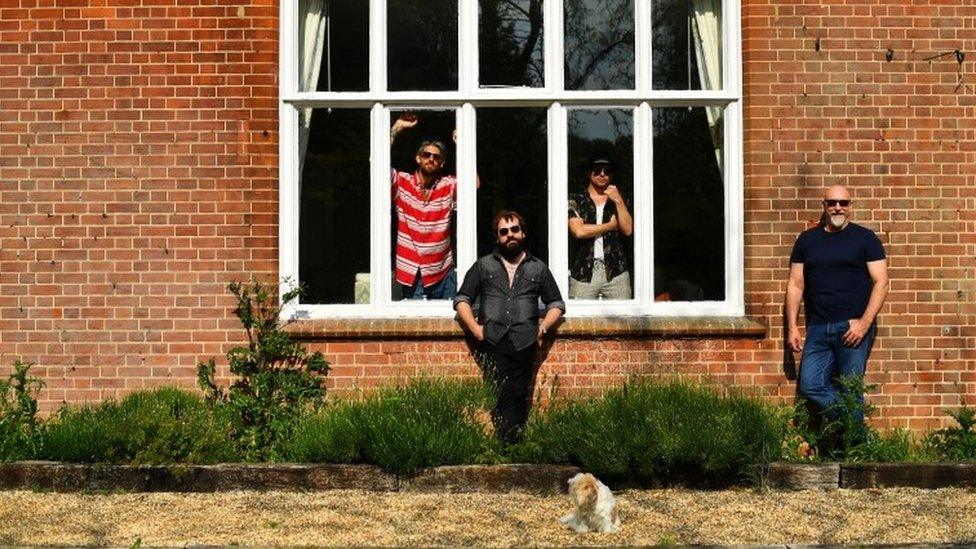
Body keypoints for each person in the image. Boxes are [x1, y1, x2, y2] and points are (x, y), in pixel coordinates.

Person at [785, 184, 889, 447]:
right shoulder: (807, 241)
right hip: (818, 327)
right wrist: (792, 327)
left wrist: (864, 324)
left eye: (843, 202)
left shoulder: (866, 239)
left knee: (850, 388)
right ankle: (858, 436)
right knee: (810, 386)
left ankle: (853, 455)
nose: (837, 207)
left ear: (851, 206)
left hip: (852, 327)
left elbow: (882, 282)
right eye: (832, 203)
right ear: (824, 206)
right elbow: (795, 284)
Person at [454, 210, 565, 443]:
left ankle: (512, 444)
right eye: (503, 232)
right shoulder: (483, 266)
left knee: (519, 393)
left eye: (514, 230)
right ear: (497, 237)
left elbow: (556, 304)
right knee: (501, 393)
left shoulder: (538, 268)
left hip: (525, 340)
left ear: (523, 233)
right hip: (493, 339)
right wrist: (476, 329)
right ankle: (509, 444)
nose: (509, 235)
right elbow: (462, 300)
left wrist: (542, 327)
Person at [389, 113, 458, 300]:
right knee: (417, 327)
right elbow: (376, 165)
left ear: (442, 163)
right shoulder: (403, 183)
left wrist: (463, 145)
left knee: (450, 327)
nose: (431, 159)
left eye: (436, 157)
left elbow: (473, 185)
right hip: (412, 273)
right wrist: (397, 128)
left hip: (443, 272)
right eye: (426, 155)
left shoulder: (447, 184)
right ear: (418, 158)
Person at [568, 151, 633, 299]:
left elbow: (628, 229)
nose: (602, 174)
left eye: (607, 171)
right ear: (589, 173)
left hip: (616, 271)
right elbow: (578, 231)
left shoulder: (619, 200)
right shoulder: (575, 199)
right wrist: (610, 226)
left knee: (623, 319)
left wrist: (618, 200)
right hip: (583, 271)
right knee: (579, 319)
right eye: (597, 170)